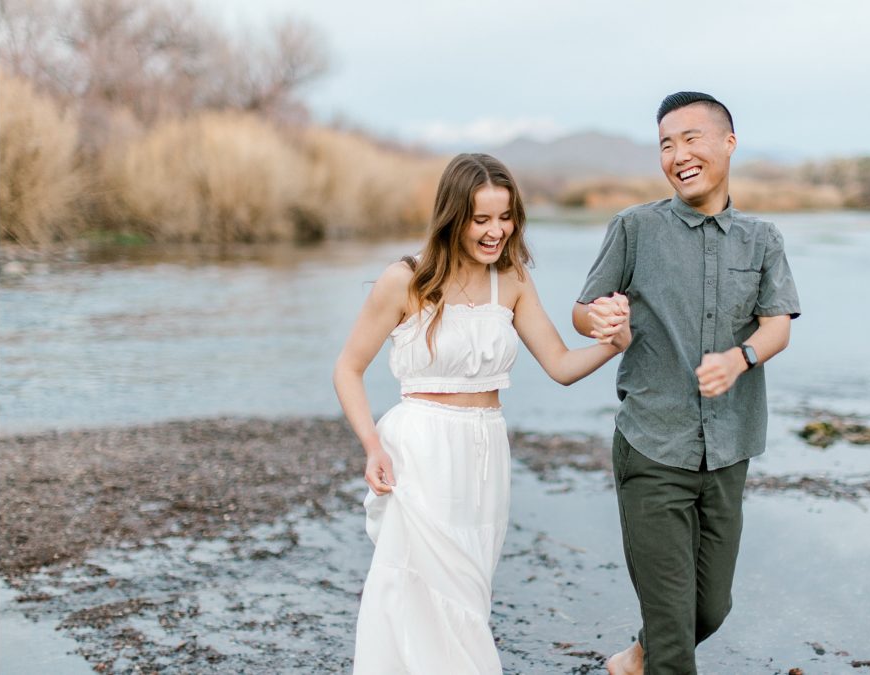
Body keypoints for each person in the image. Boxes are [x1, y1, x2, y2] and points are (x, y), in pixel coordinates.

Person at [333, 153, 631, 675]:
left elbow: (560, 365)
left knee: (468, 592)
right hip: (420, 450)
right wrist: (373, 447)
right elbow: (347, 369)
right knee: (419, 588)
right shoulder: (405, 280)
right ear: (454, 216)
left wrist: (615, 344)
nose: (497, 231)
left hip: (486, 454)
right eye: (482, 219)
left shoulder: (511, 280)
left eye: (506, 216)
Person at [572, 92, 801, 675]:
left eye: (691, 138)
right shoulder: (634, 228)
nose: (678, 154)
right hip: (652, 444)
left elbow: (778, 326)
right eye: (666, 145)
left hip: (729, 449)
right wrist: (600, 320)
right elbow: (583, 310)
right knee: (677, 642)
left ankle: (635, 659)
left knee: (710, 609)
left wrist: (740, 358)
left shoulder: (763, 237)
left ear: (728, 142)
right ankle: (657, 656)